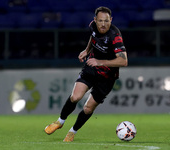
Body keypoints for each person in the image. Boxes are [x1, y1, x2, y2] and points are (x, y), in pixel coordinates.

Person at [44, 6, 128, 142]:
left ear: (111, 20)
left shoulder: (115, 36)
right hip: (91, 68)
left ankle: (73, 131)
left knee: (88, 108)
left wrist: (99, 62)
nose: (103, 24)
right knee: (75, 97)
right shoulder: (93, 27)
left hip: (107, 77)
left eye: (106, 21)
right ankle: (60, 122)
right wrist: (87, 50)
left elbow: (123, 61)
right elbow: (93, 37)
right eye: (100, 21)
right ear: (95, 20)